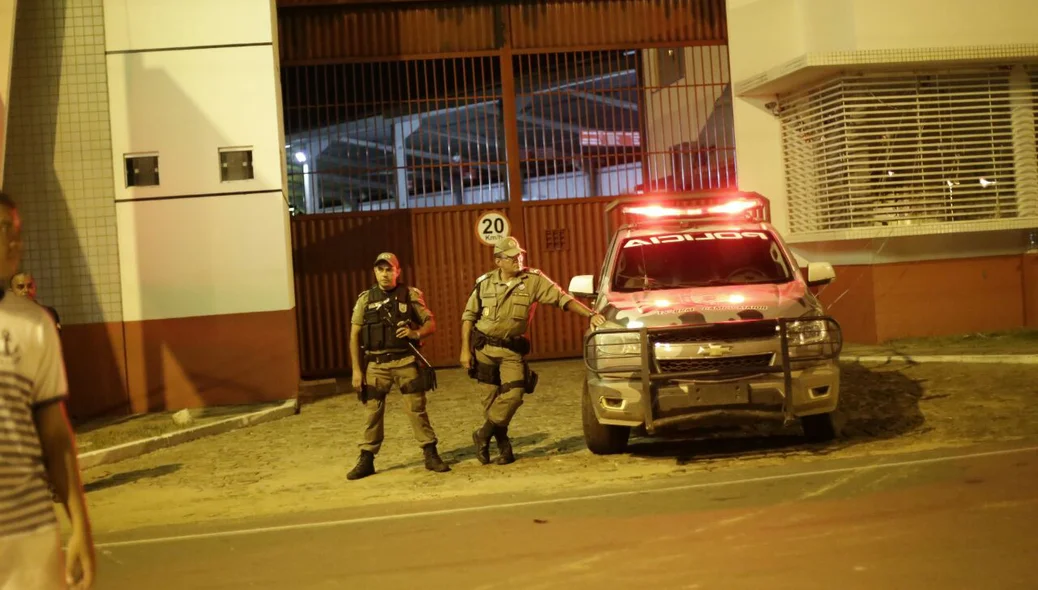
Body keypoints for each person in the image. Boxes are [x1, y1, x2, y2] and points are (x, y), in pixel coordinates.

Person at [0, 192, 94, 589]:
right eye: (3, 230)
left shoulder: (34, 325)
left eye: (16, 230)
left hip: (28, 538)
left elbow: (56, 437)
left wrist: (81, 529)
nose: (15, 241)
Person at [460, 236, 606, 465]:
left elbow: (562, 298)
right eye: (512, 257)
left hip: (511, 351)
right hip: (484, 349)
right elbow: (468, 317)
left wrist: (590, 314)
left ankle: (482, 434)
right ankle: (504, 448)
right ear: (498, 261)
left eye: (519, 255)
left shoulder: (533, 280)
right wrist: (464, 351)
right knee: (489, 401)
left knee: (514, 394)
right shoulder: (484, 283)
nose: (518, 259)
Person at [346, 252, 450, 480]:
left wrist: (416, 333)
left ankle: (430, 453)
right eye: (381, 269)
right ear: (375, 272)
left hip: (405, 362)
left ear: (397, 271)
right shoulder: (365, 299)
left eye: (389, 269)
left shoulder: (410, 295)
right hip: (376, 364)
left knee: (416, 409)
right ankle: (367, 458)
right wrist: (356, 370)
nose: (385, 274)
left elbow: (430, 323)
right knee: (372, 413)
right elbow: (354, 335)